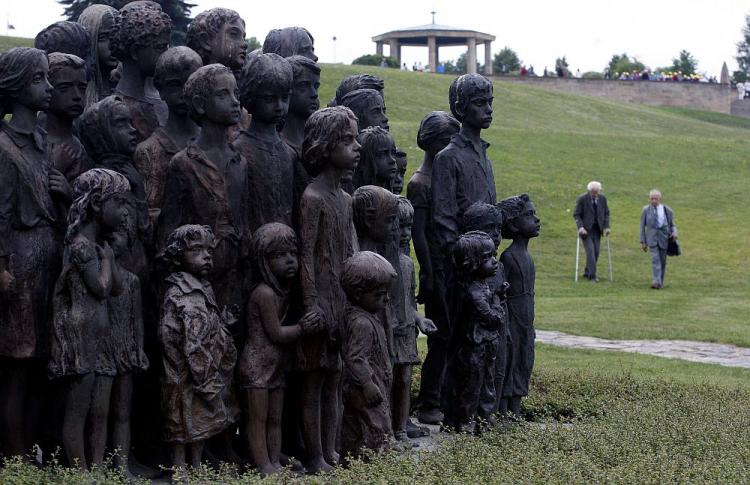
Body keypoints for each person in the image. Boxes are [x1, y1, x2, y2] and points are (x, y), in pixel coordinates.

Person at [573, 181, 610, 282]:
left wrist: (606, 227)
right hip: (586, 231)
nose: (595, 194)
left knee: (596, 252)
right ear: (589, 191)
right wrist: (580, 227)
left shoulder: (602, 199)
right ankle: (592, 276)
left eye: (597, 191)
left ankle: (587, 272)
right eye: (593, 192)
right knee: (590, 252)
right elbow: (576, 214)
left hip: (598, 230)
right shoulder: (582, 199)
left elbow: (606, 213)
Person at [639, 189, 677, 289]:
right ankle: (656, 282)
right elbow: (642, 226)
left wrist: (674, 233)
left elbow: (672, 225)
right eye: (652, 199)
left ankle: (660, 282)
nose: (654, 201)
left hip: (664, 239)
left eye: (656, 199)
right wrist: (642, 241)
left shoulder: (667, 210)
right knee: (655, 260)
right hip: (652, 239)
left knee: (662, 261)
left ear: (660, 199)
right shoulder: (646, 210)